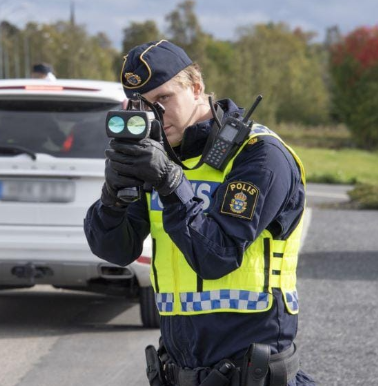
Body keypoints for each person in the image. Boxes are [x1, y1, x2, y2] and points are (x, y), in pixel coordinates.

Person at [83, 40, 316, 386]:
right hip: (178, 371)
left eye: (163, 99)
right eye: (144, 106)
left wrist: (172, 185)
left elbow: (217, 256)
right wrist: (112, 196)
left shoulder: (260, 155)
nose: (155, 116)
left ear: (196, 87)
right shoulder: (159, 158)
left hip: (251, 373)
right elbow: (116, 251)